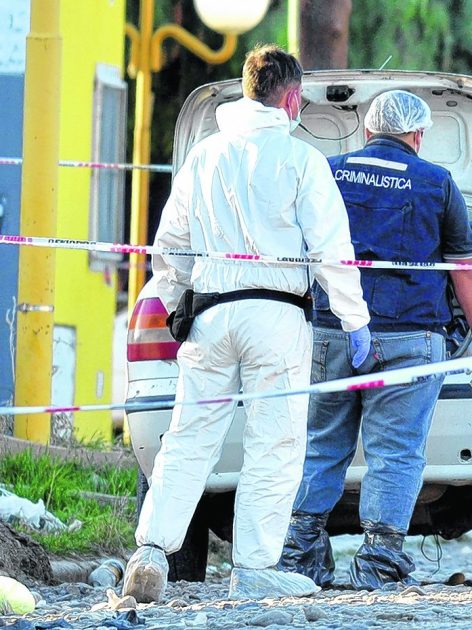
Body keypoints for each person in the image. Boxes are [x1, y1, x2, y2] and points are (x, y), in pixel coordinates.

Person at [123, 44, 371, 602]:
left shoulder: (204, 156)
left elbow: (170, 246)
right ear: (291, 99)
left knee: (189, 437)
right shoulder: (301, 160)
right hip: (277, 317)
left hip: (210, 315)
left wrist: (177, 302)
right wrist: (355, 320)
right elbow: (332, 250)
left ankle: (151, 553)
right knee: (274, 442)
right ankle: (255, 566)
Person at [278, 90, 472, 590]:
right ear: (418, 134)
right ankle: (378, 564)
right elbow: (464, 267)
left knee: (320, 444)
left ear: (368, 130)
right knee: (395, 453)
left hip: (332, 332)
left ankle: (300, 557)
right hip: (411, 340)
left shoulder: (329, 171)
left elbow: (294, 246)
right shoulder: (437, 182)